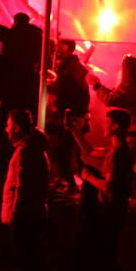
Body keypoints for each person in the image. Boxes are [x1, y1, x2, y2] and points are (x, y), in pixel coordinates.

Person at [68, 108, 135, 271]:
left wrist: (87, 177)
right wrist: (75, 132)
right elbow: (90, 156)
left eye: (107, 122)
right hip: (110, 210)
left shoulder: (118, 153)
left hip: (112, 212)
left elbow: (108, 187)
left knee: (109, 259)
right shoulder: (115, 151)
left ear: (115, 126)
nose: (103, 126)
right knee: (107, 257)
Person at [1, 108, 49, 271]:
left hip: (25, 218)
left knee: (27, 265)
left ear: (17, 128)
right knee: (30, 264)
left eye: (8, 126)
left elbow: (23, 189)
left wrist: (15, 218)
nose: (6, 130)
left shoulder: (27, 152)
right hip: (30, 216)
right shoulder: (30, 149)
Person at [89, 55, 136, 213]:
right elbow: (116, 96)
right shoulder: (133, 85)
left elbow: (111, 99)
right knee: (126, 166)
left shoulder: (129, 86)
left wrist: (97, 86)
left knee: (126, 166)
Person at [46, 39, 90, 193]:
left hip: (67, 113)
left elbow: (75, 91)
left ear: (69, 49)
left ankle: (70, 182)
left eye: (60, 45)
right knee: (58, 148)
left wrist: (72, 111)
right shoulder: (64, 66)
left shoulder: (72, 67)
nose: (56, 48)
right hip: (64, 112)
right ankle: (63, 180)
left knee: (61, 149)